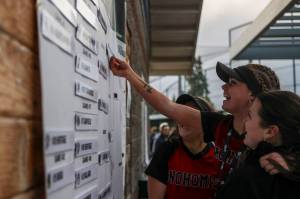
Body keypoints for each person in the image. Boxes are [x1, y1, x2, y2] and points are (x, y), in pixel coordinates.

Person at [109, 57, 287, 179]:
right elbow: (167, 106)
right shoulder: (221, 125)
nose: (224, 87)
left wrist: (293, 165)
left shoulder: (274, 138)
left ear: (252, 95)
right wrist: (129, 74)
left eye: (232, 83)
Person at [216, 90, 300, 199]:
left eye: (250, 116)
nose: (244, 120)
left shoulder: (248, 180)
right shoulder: (293, 169)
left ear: (270, 131)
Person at [146, 94, 218, 199]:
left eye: (190, 115)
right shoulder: (167, 150)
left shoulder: (220, 156)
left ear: (207, 121)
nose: (183, 120)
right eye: (180, 114)